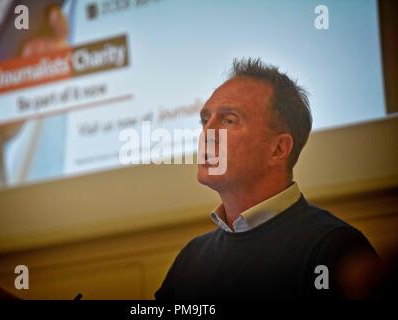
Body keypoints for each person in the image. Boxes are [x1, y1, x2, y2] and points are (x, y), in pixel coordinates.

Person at [154, 58, 381, 300]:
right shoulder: (192, 258)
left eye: (229, 120)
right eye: (205, 120)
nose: (206, 134)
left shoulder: (334, 249)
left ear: (278, 150)